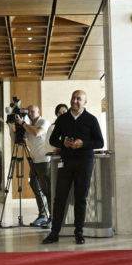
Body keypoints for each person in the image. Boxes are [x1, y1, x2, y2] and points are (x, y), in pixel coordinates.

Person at [43, 90, 104, 245]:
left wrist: (83, 144)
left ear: (85, 102)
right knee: (59, 198)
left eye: (79, 99)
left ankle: (79, 232)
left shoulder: (91, 119)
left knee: (81, 198)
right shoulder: (62, 119)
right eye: (73, 98)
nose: (75, 101)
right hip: (66, 162)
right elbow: (52, 139)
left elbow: (99, 142)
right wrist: (62, 142)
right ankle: (54, 232)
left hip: (85, 163)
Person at [11, 105, 51, 227]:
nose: (30, 114)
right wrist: (10, 126)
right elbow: (16, 140)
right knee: (35, 186)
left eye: (33, 111)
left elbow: (37, 132)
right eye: (28, 112)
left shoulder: (43, 122)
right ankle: (43, 215)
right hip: (34, 161)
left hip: (45, 160)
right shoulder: (27, 125)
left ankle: (53, 218)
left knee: (47, 190)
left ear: (39, 112)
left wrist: (22, 123)